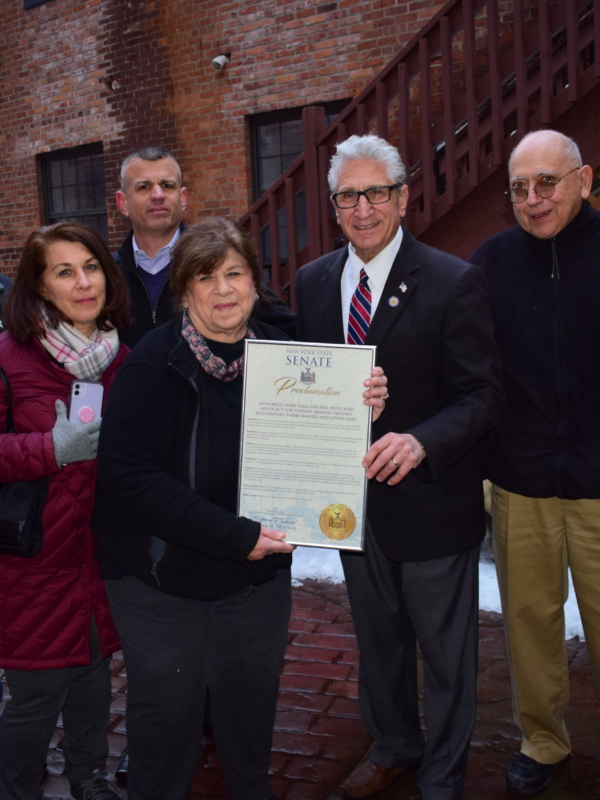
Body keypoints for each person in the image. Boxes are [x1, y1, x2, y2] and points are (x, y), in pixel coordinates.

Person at [92, 216, 388, 800]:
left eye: (235, 273)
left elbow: (319, 445)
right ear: (185, 289)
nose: (223, 290)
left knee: (250, 717)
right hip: (160, 578)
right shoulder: (154, 363)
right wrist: (233, 535)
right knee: (166, 722)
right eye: (206, 277)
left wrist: (360, 413)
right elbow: (130, 476)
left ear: (255, 282)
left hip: (255, 579)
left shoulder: (285, 358)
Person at [296, 134, 504, 800]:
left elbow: (484, 396)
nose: (363, 209)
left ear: (403, 196)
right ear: (334, 206)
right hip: (352, 508)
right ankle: (393, 745)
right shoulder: (313, 283)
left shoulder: (453, 280)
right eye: (348, 196)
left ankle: (442, 776)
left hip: (432, 504)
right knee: (378, 645)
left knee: (445, 659)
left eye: (376, 193)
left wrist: (421, 440)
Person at [470, 129, 599, 796]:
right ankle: (542, 741)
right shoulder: (489, 263)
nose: (532, 198)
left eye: (546, 182)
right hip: (521, 482)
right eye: (519, 188)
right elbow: (467, 365)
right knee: (529, 624)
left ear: (584, 179)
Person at [0, 222, 131, 800]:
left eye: (92, 266)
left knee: (92, 677)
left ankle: (90, 777)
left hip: (96, 555)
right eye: (64, 271)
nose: (84, 282)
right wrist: (49, 450)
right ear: (39, 288)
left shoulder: (121, 358)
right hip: (30, 561)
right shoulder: (8, 359)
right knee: (34, 696)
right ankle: (18, 787)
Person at [114, 146, 296, 348]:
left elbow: (287, 328)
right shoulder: (106, 275)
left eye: (167, 185)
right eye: (144, 187)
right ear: (122, 202)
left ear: (182, 198)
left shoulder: (219, 262)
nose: (158, 195)